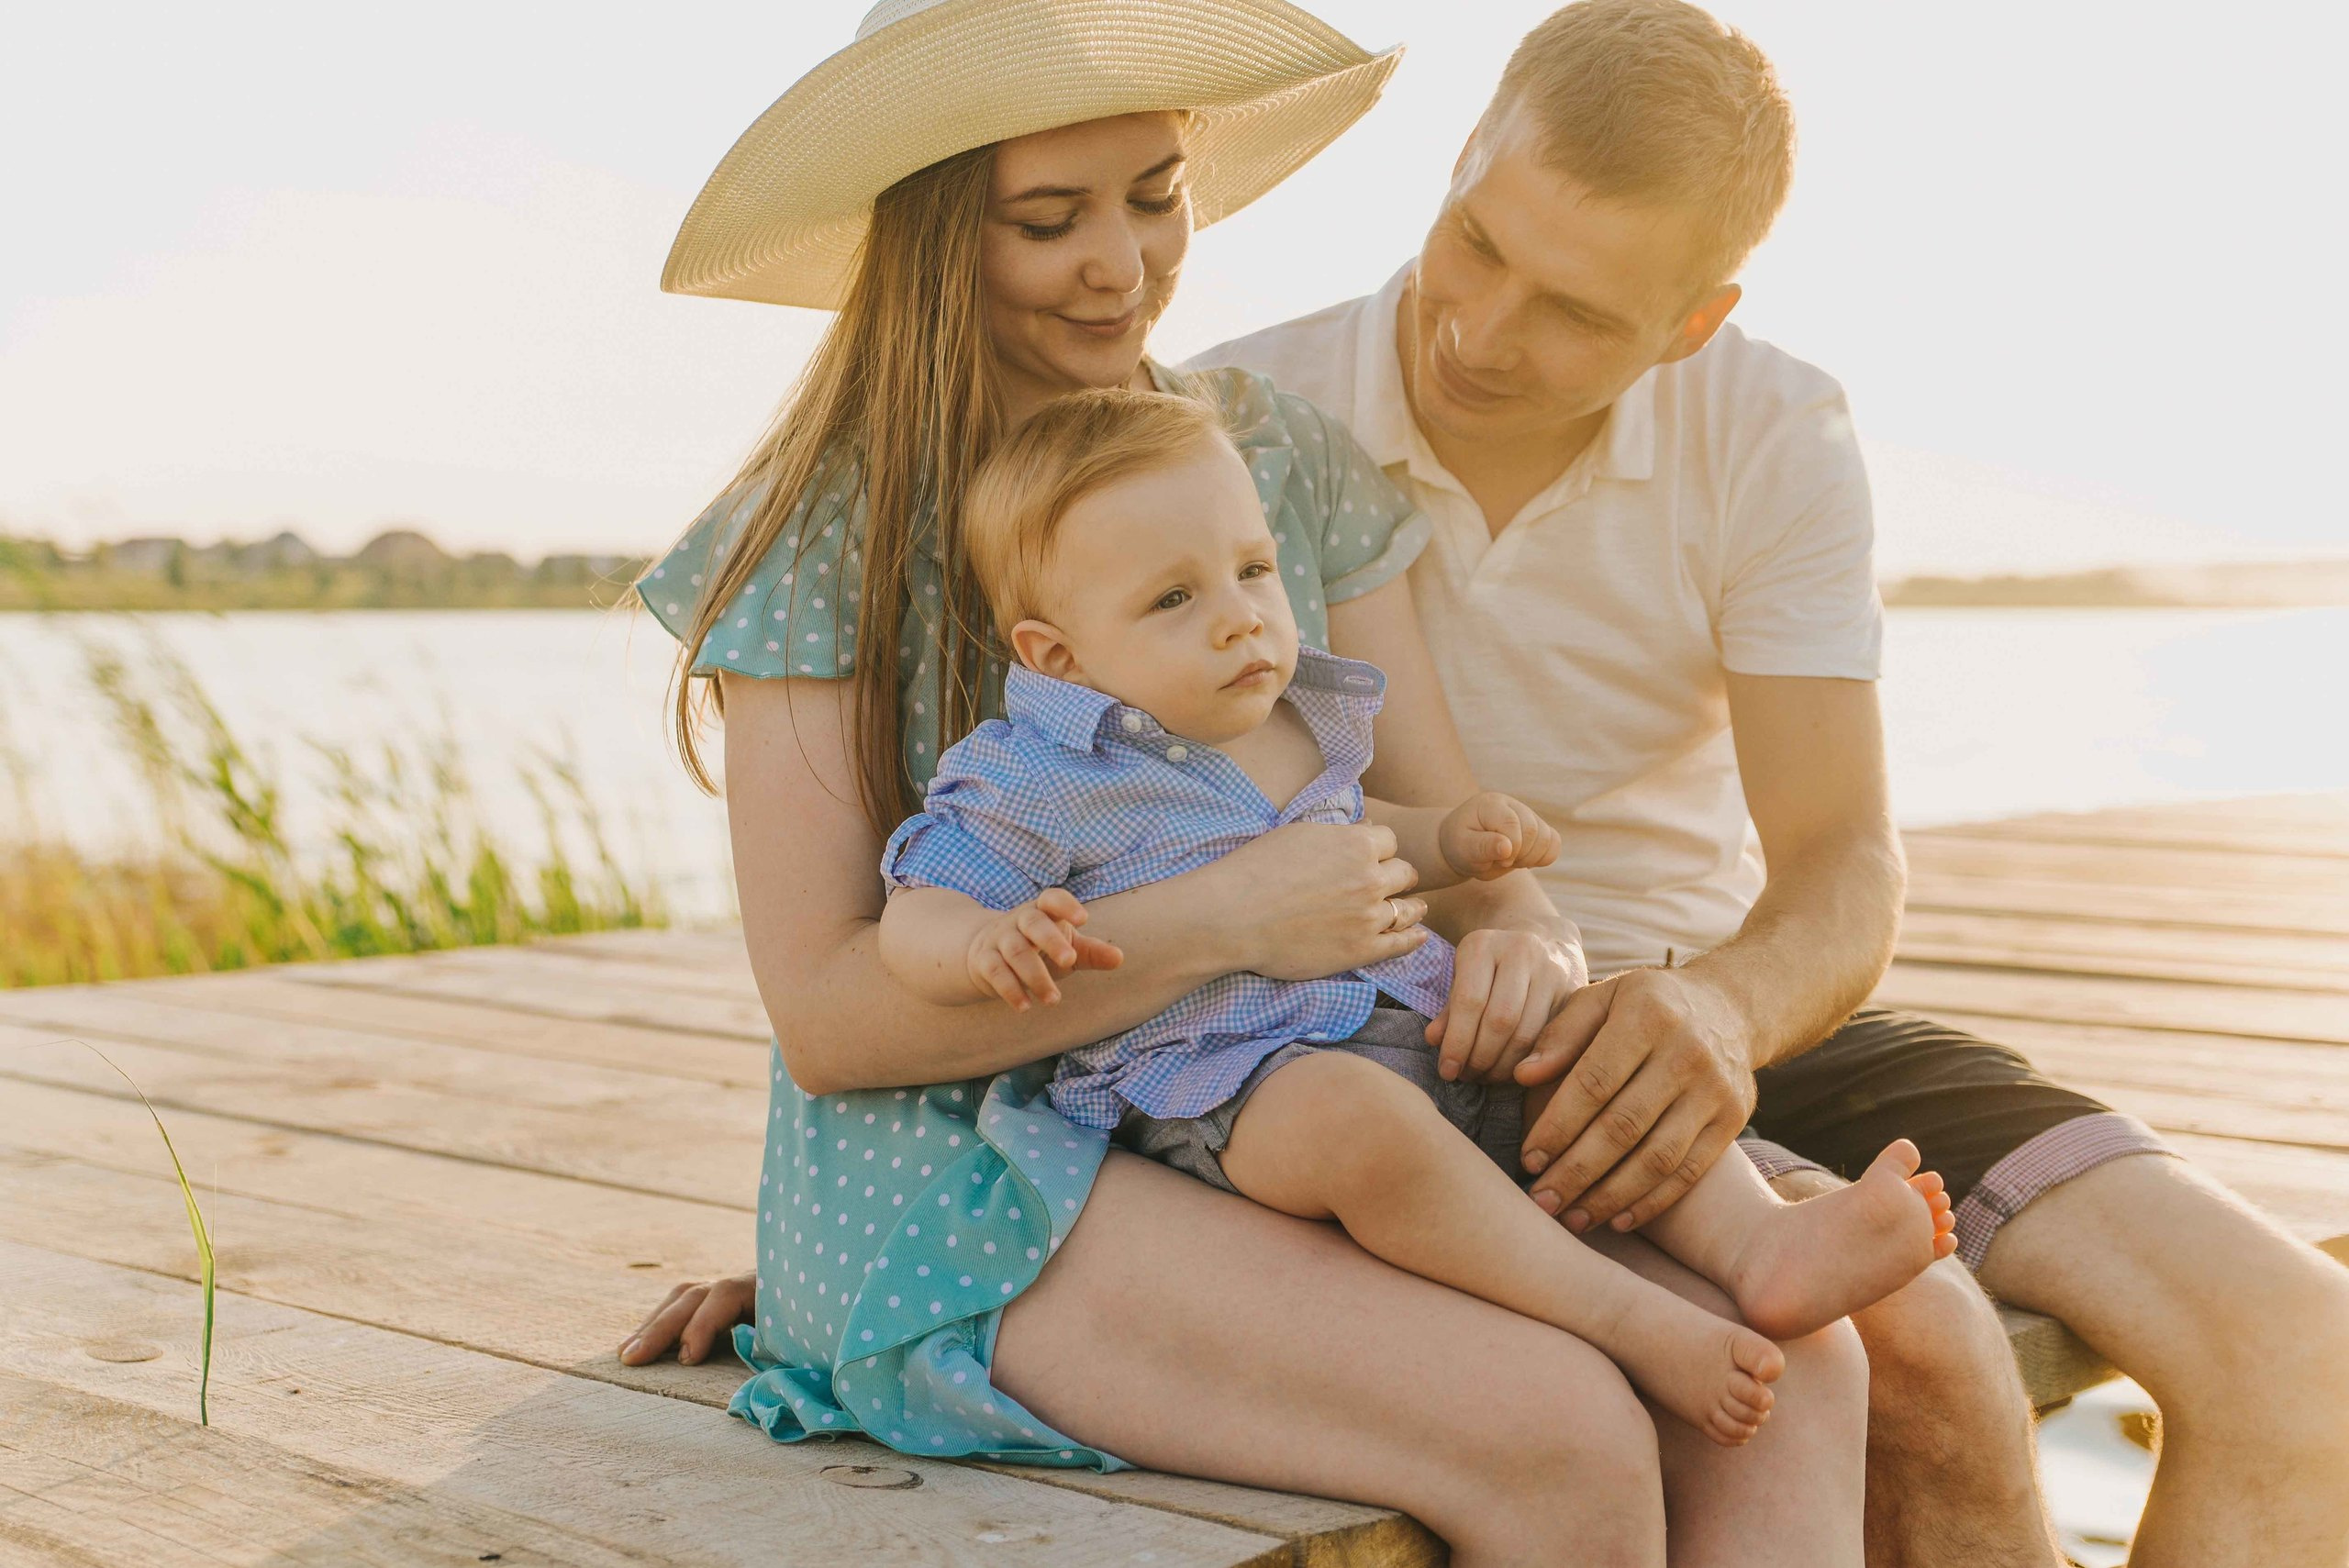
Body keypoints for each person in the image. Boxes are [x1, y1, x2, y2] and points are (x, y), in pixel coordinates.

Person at [621, 2, 1870, 1562]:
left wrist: (1524, 930)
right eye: (1046, 217)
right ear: (937, 231)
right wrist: (1226, 919)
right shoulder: (819, 531)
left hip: (1303, 1083)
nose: (1122, 264)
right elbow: (832, 1014)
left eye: (1153, 194)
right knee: (1562, 1428)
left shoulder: (1267, 453)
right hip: (961, 1162)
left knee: (1801, 1371)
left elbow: (1451, 826)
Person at [1187, 2, 2349, 1563]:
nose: (1481, 329)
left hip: (1741, 1015)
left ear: (1691, 321)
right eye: (1476, 243)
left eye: (1577, 312)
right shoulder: (1221, 425)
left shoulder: (1771, 425)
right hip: (1436, 1042)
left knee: (2310, 1354)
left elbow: (1843, 865)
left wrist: (1721, 1012)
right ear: (1462, 161)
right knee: (1924, 1350)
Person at [878, 385, 1957, 1446]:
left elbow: (1365, 829)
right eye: (1173, 599)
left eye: (1252, 570)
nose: (1241, 615)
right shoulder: (1036, 774)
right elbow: (915, 910)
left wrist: (1452, 841)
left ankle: (1758, 1243)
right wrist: (980, 941)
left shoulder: (1286, 715)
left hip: (1408, 1014)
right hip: (1225, 1083)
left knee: (1576, 1041)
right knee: (1359, 1122)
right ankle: (1624, 1317)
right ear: (1056, 654)